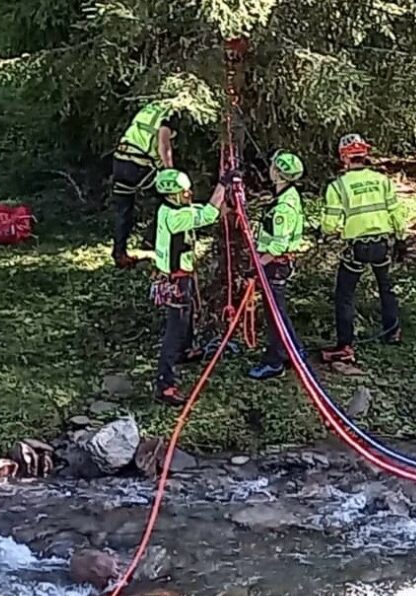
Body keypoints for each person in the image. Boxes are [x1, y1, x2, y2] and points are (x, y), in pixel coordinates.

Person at [320, 133, 407, 365]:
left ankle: (345, 346)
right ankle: (393, 332)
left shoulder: (338, 187)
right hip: (381, 244)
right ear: (364, 154)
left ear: (344, 158)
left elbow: (329, 225)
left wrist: (331, 230)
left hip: (357, 247)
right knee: (386, 288)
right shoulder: (382, 180)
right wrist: (401, 238)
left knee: (345, 295)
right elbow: (395, 211)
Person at [152, 168, 232, 406]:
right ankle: (164, 384)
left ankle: (186, 351)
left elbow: (200, 210)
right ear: (172, 194)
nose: (188, 194)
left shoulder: (175, 209)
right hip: (176, 278)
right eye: (183, 191)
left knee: (187, 315)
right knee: (174, 329)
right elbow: (206, 214)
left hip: (182, 274)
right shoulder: (174, 217)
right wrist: (223, 185)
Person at [248, 151, 310, 381]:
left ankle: (274, 361)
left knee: (275, 314)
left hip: (274, 266)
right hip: (275, 264)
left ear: (279, 173)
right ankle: (294, 352)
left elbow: (278, 246)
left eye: (273, 166)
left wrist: (257, 265)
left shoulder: (284, 208)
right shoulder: (287, 195)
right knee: (278, 312)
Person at [112, 102, 177, 269]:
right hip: (138, 165)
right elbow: (164, 145)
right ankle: (151, 242)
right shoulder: (169, 115)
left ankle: (120, 254)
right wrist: (171, 174)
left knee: (123, 209)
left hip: (120, 160)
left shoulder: (151, 107)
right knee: (169, 200)